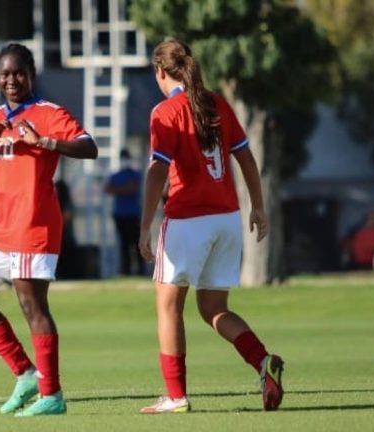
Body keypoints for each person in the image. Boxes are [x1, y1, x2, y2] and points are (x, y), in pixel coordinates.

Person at [0, 43, 97, 416]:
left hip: (34, 223)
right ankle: (25, 373)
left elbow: (89, 147)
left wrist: (44, 142)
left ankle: (52, 394)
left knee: (32, 306)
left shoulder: (48, 113)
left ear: (32, 74)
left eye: (18, 73)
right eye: (4, 74)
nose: (11, 80)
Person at [138, 39, 284, 414]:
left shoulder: (164, 111)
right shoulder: (216, 102)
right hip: (226, 220)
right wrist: (259, 208)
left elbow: (157, 170)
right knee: (214, 308)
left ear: (160, 72)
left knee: (168, 306)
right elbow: (247, 158)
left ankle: (176, 396)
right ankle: (262, 361)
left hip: (188, 219)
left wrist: (144, 226)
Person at [104, 149, 144, 276]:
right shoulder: (116, 174)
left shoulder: (135, 174)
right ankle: (125, 270)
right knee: (124, 244)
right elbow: (107, 188)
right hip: (120, 214)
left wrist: (118, 189)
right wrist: (124, 189)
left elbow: (132, 188)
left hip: (133, 214)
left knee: (136, 243)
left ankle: (140, 270)